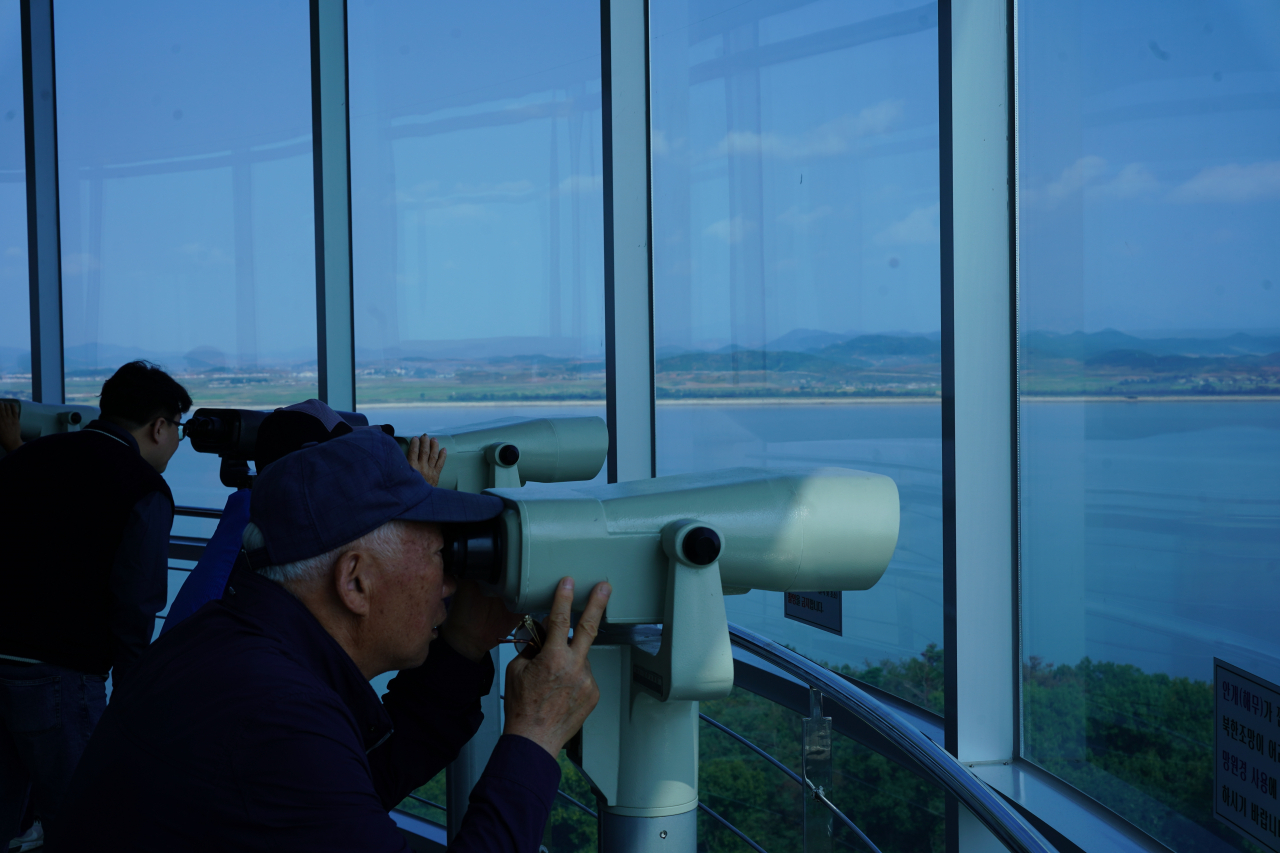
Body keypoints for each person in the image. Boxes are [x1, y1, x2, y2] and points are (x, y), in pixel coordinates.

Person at [52, 427, 610, 852]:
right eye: (441, 555)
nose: (451, 581)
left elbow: (361, 780)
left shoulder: (235, 646)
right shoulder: (270, 714)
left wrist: (461, 649)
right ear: (356, 581)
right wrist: (536, 734)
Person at [0, 361, 191, 842]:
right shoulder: (144, 488)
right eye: (178, 431)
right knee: (82, 819)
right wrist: (131, 697)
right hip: (60, 680)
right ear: (159, 426)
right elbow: (135, 605)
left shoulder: (26, 458)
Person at [160, 396, 447, 634]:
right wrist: (416, 500)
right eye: (344, 461)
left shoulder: (250, 526)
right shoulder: (279, 549)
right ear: (309, 471)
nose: (354, 471)